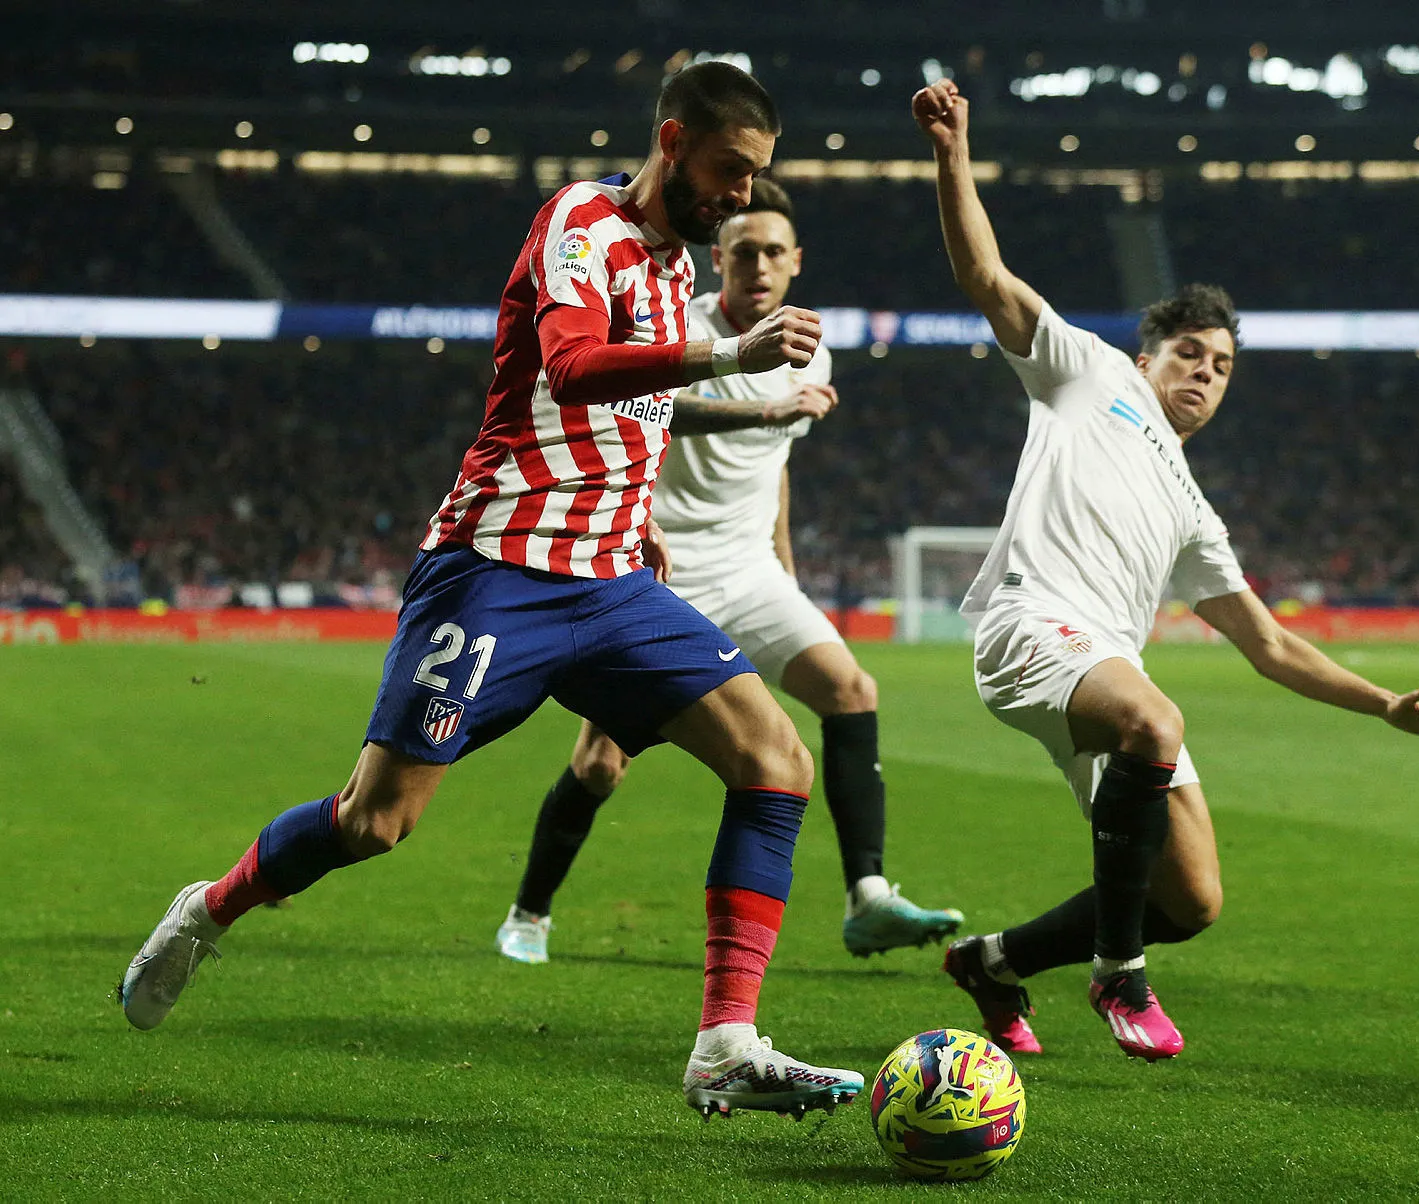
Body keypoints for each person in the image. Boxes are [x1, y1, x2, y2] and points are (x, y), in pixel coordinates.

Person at [119, 61, 865, 1122]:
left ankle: (724, 1044)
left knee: (776, 759)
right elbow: (569, 367)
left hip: (611, 583)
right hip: (498, 573)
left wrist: (638, 517)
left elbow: (627, 422)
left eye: (756, 179)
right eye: (731, 171)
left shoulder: (665, 270)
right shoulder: (581, 220)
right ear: (672, 141)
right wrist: (726, 355)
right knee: (376, 822)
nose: (741, 195)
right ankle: (208, 908)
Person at [911, 78, 1419, 1062]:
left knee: (1194, 896)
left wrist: (1384, 702)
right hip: (1031, 626)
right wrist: (953, 152)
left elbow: (1267, 643)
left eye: (1221, 366)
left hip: (1099, 666)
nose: (1205, 372)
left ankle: (992, 961)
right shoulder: (1087, 372)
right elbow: (987, 277)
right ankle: (1116, 971)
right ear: (1149, 352)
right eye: (1190, 351)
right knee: (1155, 719)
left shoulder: (1189, 506)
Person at [495, 178, 964, 968]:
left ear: (796, 263)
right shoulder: (681, 325)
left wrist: (785, 559)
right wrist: (764, 413)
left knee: (851, 691)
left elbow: (776, 463)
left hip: (751, 572)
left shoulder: (806, 344)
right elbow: (643, 407)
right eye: (744, 251)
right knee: (601, 762)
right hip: (661, 570)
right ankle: (529, 915)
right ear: (718, 259)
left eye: (774, 252)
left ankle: (868, 899)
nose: (759, 265)